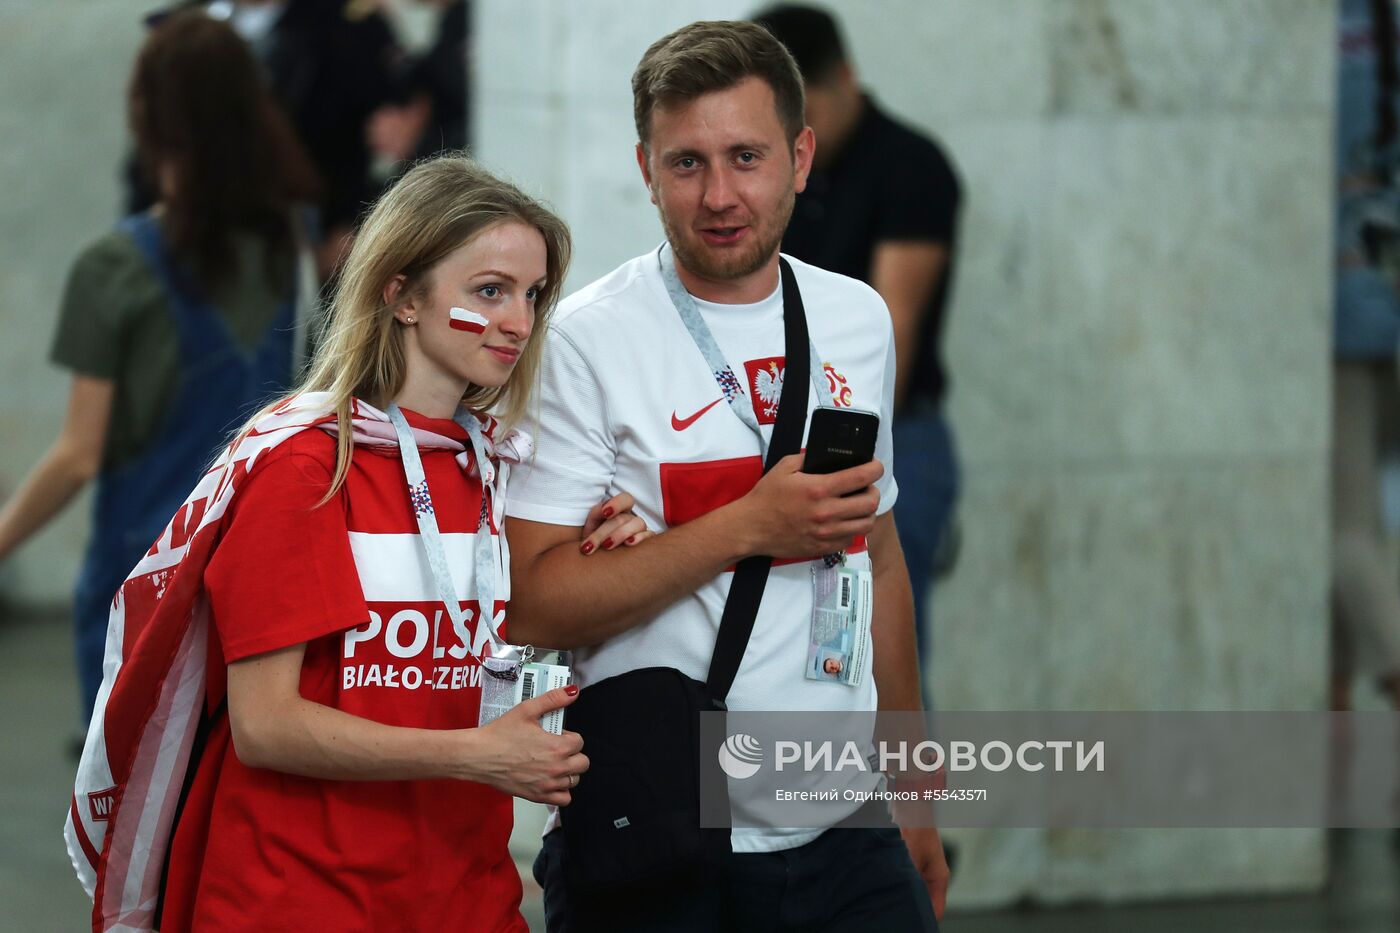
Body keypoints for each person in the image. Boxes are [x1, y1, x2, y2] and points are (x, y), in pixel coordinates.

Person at [73, 154, 654, 932]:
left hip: (463, 893)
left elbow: (505, 636)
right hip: (298, 898)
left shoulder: (495, 469)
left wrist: (601, 548)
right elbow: (267, 724)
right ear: (402, 294)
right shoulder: (303, 466)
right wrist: (473, 755)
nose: (520, 320)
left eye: (533, 294)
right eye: (490, 290)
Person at [505, 20, 948, 932]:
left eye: (746, 156)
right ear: (644, 168)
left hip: (843, 823)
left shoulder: (856, 318)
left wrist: (914, 788)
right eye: (686, 163)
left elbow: (884, 557)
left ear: (800, 155)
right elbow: (535, 602)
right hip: (660, 826)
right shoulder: (586, 340)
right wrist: (750, 526)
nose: (719, 195)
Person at [0, 12, 307, 720]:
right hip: (253, 573)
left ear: (147, 113)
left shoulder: (115, 267)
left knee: (125, 813)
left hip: (140, 584)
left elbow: (78, 456)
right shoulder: (290, 246)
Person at [754, 4, 963, 691]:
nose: (798, 132)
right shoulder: (773, 170)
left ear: (845, 77)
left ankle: (905, 798)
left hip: (884, 434)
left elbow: (888, 342)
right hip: (778, 439)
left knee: (885, 660)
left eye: (807, 110)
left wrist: (836, 465)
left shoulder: (910, 165)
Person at [1332, 0, 1400, 712]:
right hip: (1385, 302)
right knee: (1369, 526)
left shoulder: (1333, 42)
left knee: (1342, 530)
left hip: (1341, 318)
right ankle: (1334, 712)